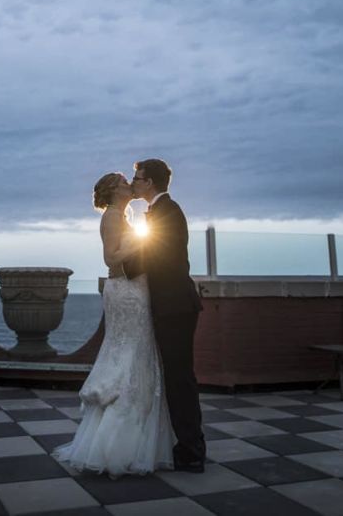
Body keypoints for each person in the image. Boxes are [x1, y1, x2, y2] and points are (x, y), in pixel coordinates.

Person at [52, 172, 175, 477]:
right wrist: (146, 246)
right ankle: (117, 446)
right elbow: (111, 258)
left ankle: (133, 440)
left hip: (134, 289)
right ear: (113, 190)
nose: (129, 185)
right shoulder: (112, 216)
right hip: (126, 292)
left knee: (137, 354)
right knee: (129, 354)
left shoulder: (122, 215)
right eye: (123, 182)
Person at [124, 158, 206, 472]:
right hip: (172, 305)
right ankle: (187, 446)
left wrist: (124, 264)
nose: (133, 182)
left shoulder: (167, 212)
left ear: (150, 183)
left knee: (179, 379)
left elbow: (152, 257)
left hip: (175, 307)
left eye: (137, 177)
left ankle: (191, 450)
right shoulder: (160, 211)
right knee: (176, 377)